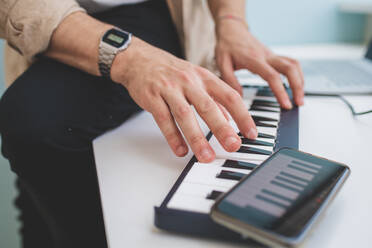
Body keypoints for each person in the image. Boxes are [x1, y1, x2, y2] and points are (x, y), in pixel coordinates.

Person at [0, 0, 304, 247]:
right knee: (35, 131)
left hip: (162, 13)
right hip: (51, 16)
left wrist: (230, 21)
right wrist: (132, 59)